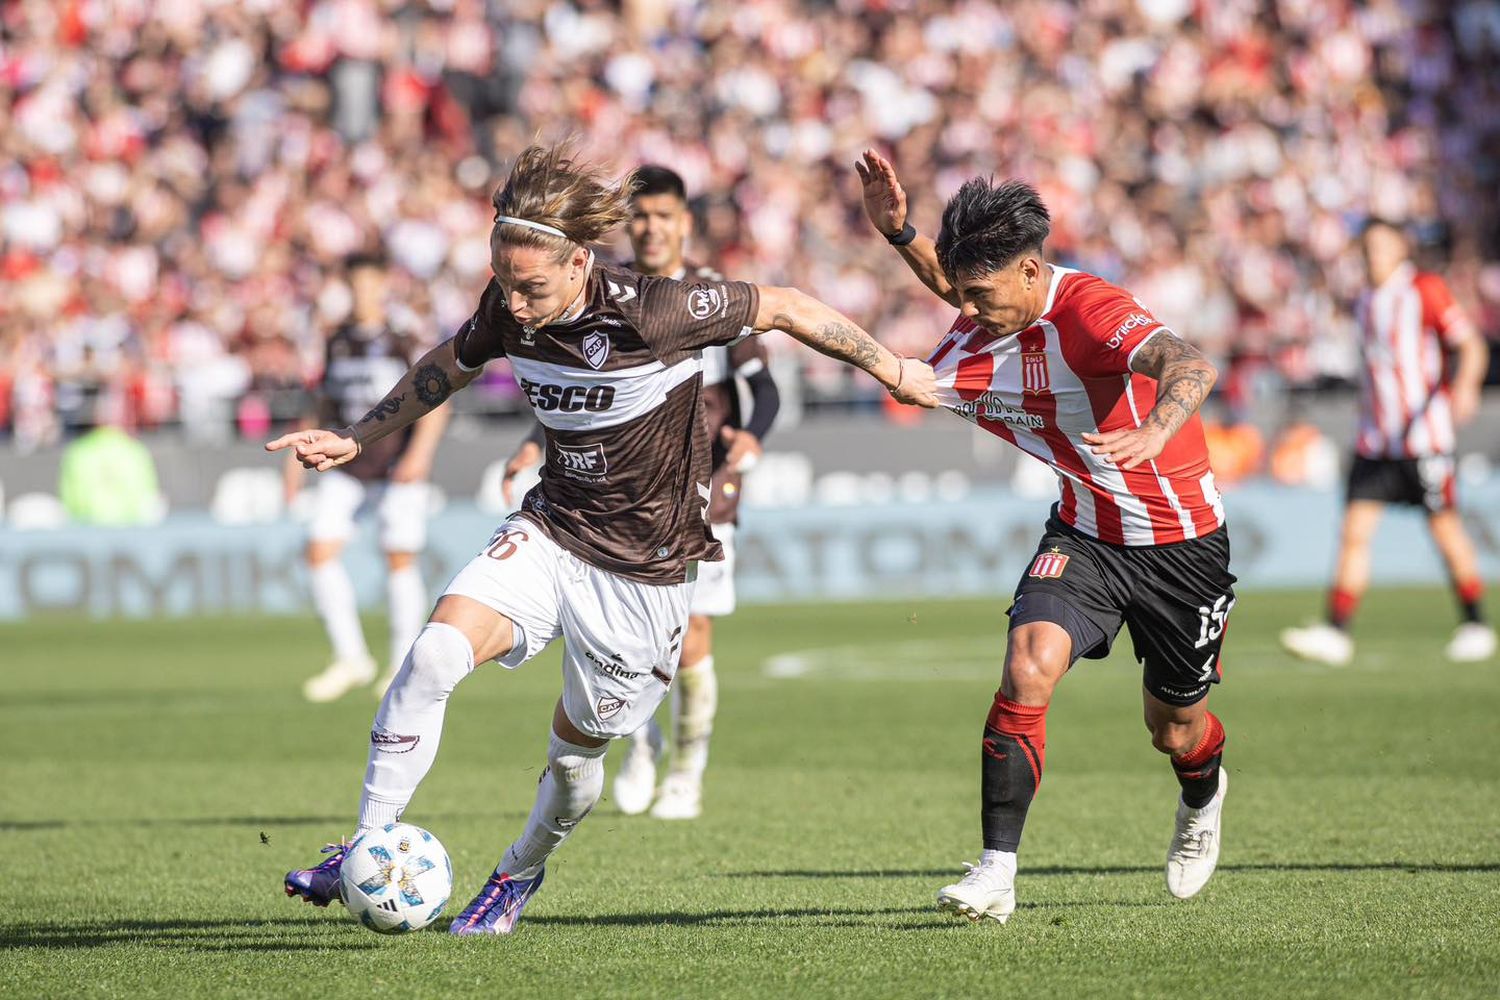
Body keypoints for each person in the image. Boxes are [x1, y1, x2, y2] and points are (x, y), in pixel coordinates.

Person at [269, 143, 937, 936]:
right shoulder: (507, 298)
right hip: (553, 528)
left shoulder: (656, 310)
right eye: (504, 281)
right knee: (433, 655)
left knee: (576, 763)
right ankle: (363, 850)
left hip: (645, 576)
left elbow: (787, 305)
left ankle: (517, 873)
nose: (513, 305)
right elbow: (450, 363)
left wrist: (894, 367)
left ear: (580, 261)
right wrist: (356, 434)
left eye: (532, 288)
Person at [856, 150, 1235, 923]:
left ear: (1031, 273)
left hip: (1182, 548)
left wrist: (1157, 428)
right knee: (1028, 666)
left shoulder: (1091, 311)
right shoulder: (994, 317)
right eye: (961, 291)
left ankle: (1203, 796)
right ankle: (997, 870)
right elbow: (959, 284)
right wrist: (901, 234)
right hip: (1084, 536)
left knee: (1175, 729)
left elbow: (1189, 362)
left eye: (980, 294)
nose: (965, 308)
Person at [499, 165, 780, 821]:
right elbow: (571, 387)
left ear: (684, 222)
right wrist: (532, 441)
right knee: (604, 631)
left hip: (699, 488)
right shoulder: (604, 289)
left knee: (693, 634)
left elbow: (763, 389)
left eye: (662, 215)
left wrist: (753, 438)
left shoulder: (710, 293)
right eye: (641, 216)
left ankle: (688, 769)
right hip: (610, 494)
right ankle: (642, 748)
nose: (651, 227)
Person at [1281, 220, 1494, 665]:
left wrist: (1467, 386)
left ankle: (1476, 623)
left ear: (1401, 248)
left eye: (1382, 245)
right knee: (1354, 531)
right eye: (1368, 246)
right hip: (1375, 440)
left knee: (1445, 529)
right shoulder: (1365, 300)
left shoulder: (1425, 289)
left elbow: (1470, 344)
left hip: (1423, 440)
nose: (1373, 253)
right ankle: (1336, 631)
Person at [287, 253, 452, 702]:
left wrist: (419, 454)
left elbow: (438, 397)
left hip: (396, 465)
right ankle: (351, 656)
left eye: (370, 284)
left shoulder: (404, 337)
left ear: (383, 286)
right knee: (319, 551)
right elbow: (321, 405)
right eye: (355, 285)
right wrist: (297, 459)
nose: (363, 293)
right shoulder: (336, 340)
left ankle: (401, 661)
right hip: (347, 464)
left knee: (398, 556)